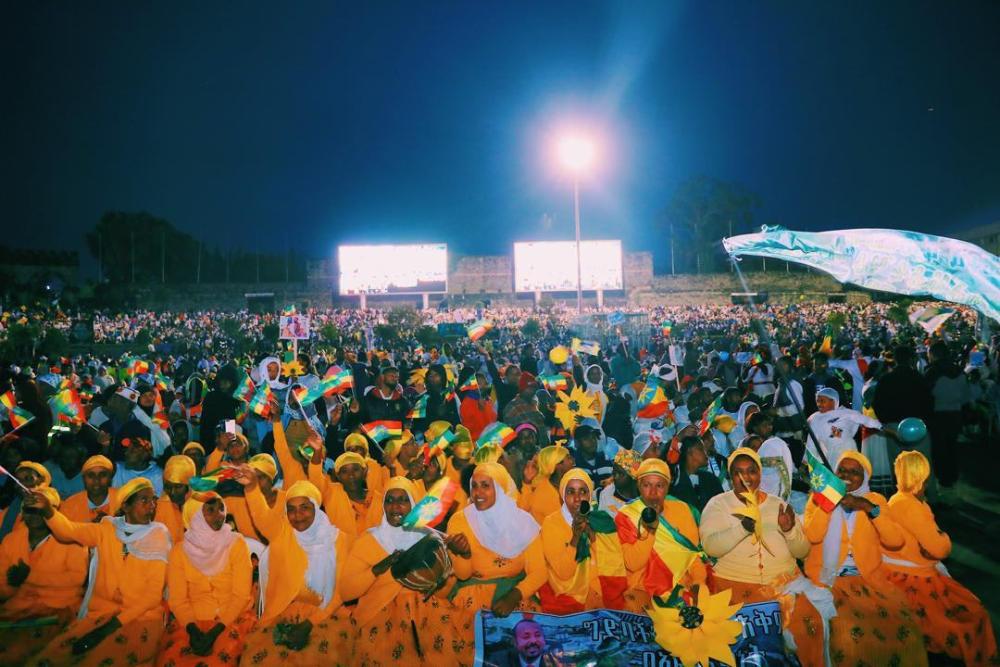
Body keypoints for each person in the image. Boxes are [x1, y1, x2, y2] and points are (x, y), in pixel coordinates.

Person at [700, 448, 834, 667]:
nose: (745, 477)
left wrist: (789, 530)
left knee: (809, 625)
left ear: (760, 474)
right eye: (738, 472)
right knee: (747, 643)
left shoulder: (778, 504)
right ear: (730, 476)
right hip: (734, 588)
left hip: (785, 586)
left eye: (751, 471)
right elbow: (710, 547)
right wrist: (742, 528)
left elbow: (803, 552)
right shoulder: (718, 504)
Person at [25, 477, 170, 667]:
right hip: (102, 612)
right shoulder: (107, 528)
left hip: (140, 619)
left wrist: (107, 629)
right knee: (50, 658)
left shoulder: (158, 534)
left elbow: (152, 597)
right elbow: (69, 531)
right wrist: (47, 511)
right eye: (144, 500)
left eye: (153, 500)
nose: (151, 506)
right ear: (125, 506)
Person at [802, 451, 927, 667]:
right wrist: (828, 504)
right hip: (830, 582)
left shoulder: (875, 500)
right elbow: (812, 536)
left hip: (869, 581)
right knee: (848, 638)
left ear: (865, 478)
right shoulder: (819, 498)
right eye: (842, 470)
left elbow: (895, 541)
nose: (846, 476)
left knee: (905, 631)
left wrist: (868, 509)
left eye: (855, 472)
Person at [882, 451, 998, 666]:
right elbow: (940, 549)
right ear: (923, 475)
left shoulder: (897, 499)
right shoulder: (912, 506)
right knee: (973, 616)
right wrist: (943, 537)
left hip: (900, 575)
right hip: (916, 580)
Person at [339, 477, 463, 665]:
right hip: (379, 615)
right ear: (383, 506)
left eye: (403, 500)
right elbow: (346, 591)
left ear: (413, 503)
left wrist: (459, 552)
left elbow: (449, 587)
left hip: (427, 613)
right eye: (389, 500)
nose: (395, 506)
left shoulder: (430, 538)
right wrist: (377, 570)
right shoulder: (368, 540)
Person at [235, 471, 352, 665]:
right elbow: (261, 515)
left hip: (327, 614)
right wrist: (252, 487)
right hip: (283, 611)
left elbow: (341, 591)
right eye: (291, 509)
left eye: (305, 508)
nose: (298, 516)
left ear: (316, 508)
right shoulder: (282, 532)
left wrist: (310, 623)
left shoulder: (338, 540)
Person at [447, 463, 545, 664]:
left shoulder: (523, 522)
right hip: (472, 597)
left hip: (516, 594)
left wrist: (513, 596)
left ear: (500, 489)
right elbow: (463, 575)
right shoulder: (460, 520)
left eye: (485, 485)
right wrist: (463, 555)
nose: (478, 493)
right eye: (474, 486)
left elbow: (539, 572)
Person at [157, 491, 255, 667]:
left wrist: (215, 632)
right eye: (210, 510)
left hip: (231, 618)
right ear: (194, 516)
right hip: (190, 622)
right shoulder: (179, 552)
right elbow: (178, 600)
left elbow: (240, 596)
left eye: (221, 508)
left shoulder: (236, 544)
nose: (219, 515)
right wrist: (193, 630)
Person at [0, 486, 89, 665]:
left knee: (18, 655)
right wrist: (12, 585)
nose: (34, 515)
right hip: (15, 609)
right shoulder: (12, 540)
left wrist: (29, 576)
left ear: (52, 512)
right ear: (22, 513)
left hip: (58, 610)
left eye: (40, 510)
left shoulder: (72, 539)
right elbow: (2, 584)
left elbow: (76, 580)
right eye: (29, 510)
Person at [614, 458, 708, 614]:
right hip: (642, 592)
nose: (653, 493)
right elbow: (632, 563)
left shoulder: (682, 510)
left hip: (680, 588)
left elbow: (692, 555)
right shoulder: (626, 516)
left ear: (667, 488)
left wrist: (699, 584)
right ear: (638, 487)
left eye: (659, 486)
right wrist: (650, 531)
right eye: (646, 485)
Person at [539, 468, 626, 613]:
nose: (577, 498)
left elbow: (613, 562)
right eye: (571, 492)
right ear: (562, 495)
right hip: (567, 592)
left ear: (590, 495)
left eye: (583, 492)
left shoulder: (601, 520)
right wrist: (575, 538)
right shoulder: (551, 523)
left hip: (597, 588)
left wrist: (593, 536)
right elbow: (563, 573)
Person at [924, 341, 971, 492]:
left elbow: (924, 395)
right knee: (952, 447)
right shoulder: (960, 372)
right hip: (955, 415)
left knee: (939, 450)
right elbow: (966, 397)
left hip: (937, 416)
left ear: (934, 354)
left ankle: (942, 481)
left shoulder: (932, 372)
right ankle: (951, 479)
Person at [309, 451, 383, 538]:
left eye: (355, 470)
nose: (351, 475)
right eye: (344, 471)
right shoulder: (332, 494)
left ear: (364, 472)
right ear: (338, 476)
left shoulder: (379, 499)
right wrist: (317, 451)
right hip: (342, 550)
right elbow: (316, 478)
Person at [806, 388, 881, 469]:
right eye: (817, 401)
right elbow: (811, 442)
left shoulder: (846, 413)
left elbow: (866, 420)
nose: (819, 404)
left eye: (822, 401)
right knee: (837, 478)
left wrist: (881, 426)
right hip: (832, 455)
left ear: (833, 401)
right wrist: (806, 461)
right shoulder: (815, 419)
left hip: (849, 450)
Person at [519, 445, 573, 525]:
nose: (572, 460)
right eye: (568, 458)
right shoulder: (542, 493)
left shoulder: (568, 482)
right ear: (557, 464)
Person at [669, 436, 724, 512]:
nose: (705, 453)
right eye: (701, 449)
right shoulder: (674, 483)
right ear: (689, 452)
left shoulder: (711, 480)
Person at [62, 455, 118, 522]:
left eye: (102, 475)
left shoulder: (123, 500)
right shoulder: (69, 505)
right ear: (84, 479)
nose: (97, 480)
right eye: (91, 475)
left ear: (110, 478)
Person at [155, 454, 197, 544]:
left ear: (189, 486)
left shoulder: (203, 506)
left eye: (178, 486)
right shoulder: (158, 507)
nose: (172, 492)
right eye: (168, 486)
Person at [496, 617, 562, 667]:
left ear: (544, 640)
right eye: (526, 637)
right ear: (514, 642)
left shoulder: (559, 662)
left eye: (537, 635)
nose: (533, 641)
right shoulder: (499, 661)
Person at [597, 448, 641, 515]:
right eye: (614, 472)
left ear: (633, 477)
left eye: (620, 474)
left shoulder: (645, 497)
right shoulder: (607, 494)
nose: (615, 476)